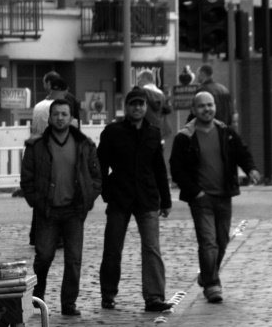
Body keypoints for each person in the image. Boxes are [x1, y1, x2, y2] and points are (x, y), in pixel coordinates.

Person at [169, 90, 261, 304]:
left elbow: (242, 153)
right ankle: (212, 285)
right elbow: (177, 169)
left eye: (210, 105)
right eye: (202, 106)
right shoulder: (185, 137)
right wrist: (196, 192)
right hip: (201, 199)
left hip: (224, 195)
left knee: (221, 241)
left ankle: (206, 275)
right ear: (194, 110)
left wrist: (252, 169)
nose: (207, 109)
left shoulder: (225, 131)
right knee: (208, 243)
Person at [97, 87, 175, 312]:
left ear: (146, 107)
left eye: (141, 104)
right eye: (133, 104)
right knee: (113, 248)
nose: (137, 108)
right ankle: (108, 293)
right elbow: (101, 164)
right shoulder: (112, 132)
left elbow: (159, 168)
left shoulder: (153, 132)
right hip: (119, 197)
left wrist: (166, 199)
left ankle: (154, 296)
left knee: (152, 248)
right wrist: (104, 191)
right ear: (126, 106)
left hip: (147, 197)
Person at [21, 98, 102, 315]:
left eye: (64, 114)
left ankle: (69, 303)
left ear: (71, 118)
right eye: (56, 114)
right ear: (49, 117)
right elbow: (26, 180)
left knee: (73, 259)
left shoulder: (84, 145)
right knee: (44, 256)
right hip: (47, 210)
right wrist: (37, 201)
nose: (59, 118)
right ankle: (38, 297)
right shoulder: (36, 146)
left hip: (74, 211)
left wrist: (87, 199)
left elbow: (96, 177)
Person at [195, 62, 235, 127]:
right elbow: (230, 111)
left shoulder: (202, 90)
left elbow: (198, 112)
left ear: (202, 74)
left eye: (198, 73)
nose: (197, 75)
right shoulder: (224, 89)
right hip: (224, 129)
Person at [137, 68, 173, 139]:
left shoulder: (142, 92)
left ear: (145, 78)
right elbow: (167, 110)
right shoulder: (161, 93)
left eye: (139, 78)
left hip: (146, 130)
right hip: (160, 130)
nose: (138, 81)